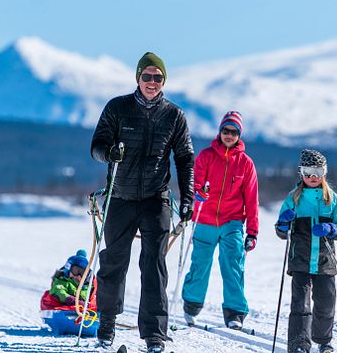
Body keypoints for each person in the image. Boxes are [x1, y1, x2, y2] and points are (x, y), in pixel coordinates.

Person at [90, 52, 195, 353]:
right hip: (120, 197)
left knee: (154, 265)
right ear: (137, 77)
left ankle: (154, 335)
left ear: (164, 81)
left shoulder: (174, 116)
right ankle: (106, 325)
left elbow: (185, 160)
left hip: (155, 199)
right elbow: (96, 146)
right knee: (113, 262)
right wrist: (109, 153)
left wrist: (187, 198)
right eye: (147, 76)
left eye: (157, 77)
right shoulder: (118, 108)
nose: (152, 82)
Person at [180, 110, 259, 329]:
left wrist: (252, 232)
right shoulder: (206, 156)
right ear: (220, 131)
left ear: (239, 135)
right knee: (200, 264)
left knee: (232, 264)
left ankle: (235, 313)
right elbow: (195, 183)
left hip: (232, 222)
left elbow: (252, 200)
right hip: (204, 219)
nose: (229, 135)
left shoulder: (246, 164)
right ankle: (192, 305)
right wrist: (198, 194)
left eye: (234, 132)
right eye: (226, 130)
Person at [275, 149, 337, 353]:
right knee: (300, 305)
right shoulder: (293, 199)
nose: (312, 176)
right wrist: (283, 224)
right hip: (300, 260)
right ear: (301, 173)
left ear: (324, 172)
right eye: (307, 171)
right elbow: (281, 232)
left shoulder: (333, 200)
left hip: (325, 261)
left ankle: (324, 342)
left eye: (317, 170)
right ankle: (299, 345)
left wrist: (332, 228)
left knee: (325, 303)